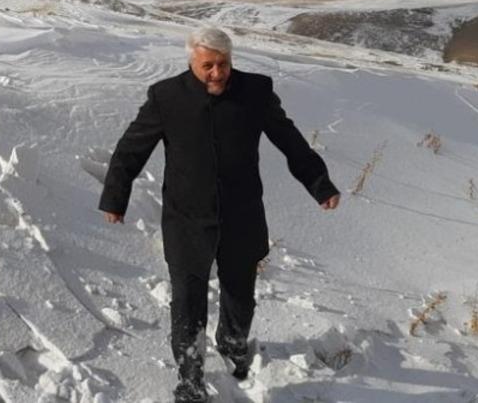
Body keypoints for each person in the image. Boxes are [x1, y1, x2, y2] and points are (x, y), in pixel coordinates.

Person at [98, 26, 340, 402]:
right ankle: (190, 380)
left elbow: (290, 141)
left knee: (240, 298)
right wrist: (116, 197)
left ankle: (233, 348)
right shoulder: (166, 97)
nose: (216, 73)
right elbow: (131, 149)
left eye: (223, 64)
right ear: (192, 61)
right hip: (186, 220)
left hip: (241, 216)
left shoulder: (255, 92)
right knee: (187, 303)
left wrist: (319, 184)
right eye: (207, 65)